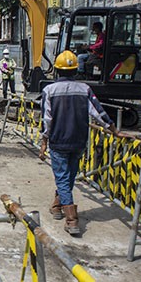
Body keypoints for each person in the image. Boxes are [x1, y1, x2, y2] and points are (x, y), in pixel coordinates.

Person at [39, 50, 123, 235]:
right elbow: (98, 112)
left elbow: (47, 120)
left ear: (57, 70)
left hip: (59, 141)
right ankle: (56, 205)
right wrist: (114, 130)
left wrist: (44, 141)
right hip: (79, 141)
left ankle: (71, 219)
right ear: (75, 70)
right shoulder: (84, 89)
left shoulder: (49, 90)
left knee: (62, 177)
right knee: (69, 176)